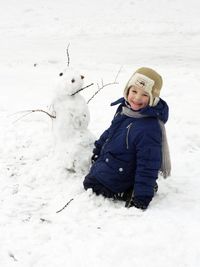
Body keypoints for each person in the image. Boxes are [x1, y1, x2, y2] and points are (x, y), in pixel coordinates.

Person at [83, 67, 171, 210]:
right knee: (91, 182)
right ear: (127, 90)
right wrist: (98, 150)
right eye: (134, 91)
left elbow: (148, 164)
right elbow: (111, 132)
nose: (136, 98)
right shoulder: (125, 110)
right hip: (115, 163)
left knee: (95, 186)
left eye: (144, 94)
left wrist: (141, 197)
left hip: (125, 172)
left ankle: (129, 190)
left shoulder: (149, 128)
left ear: (153, 99)